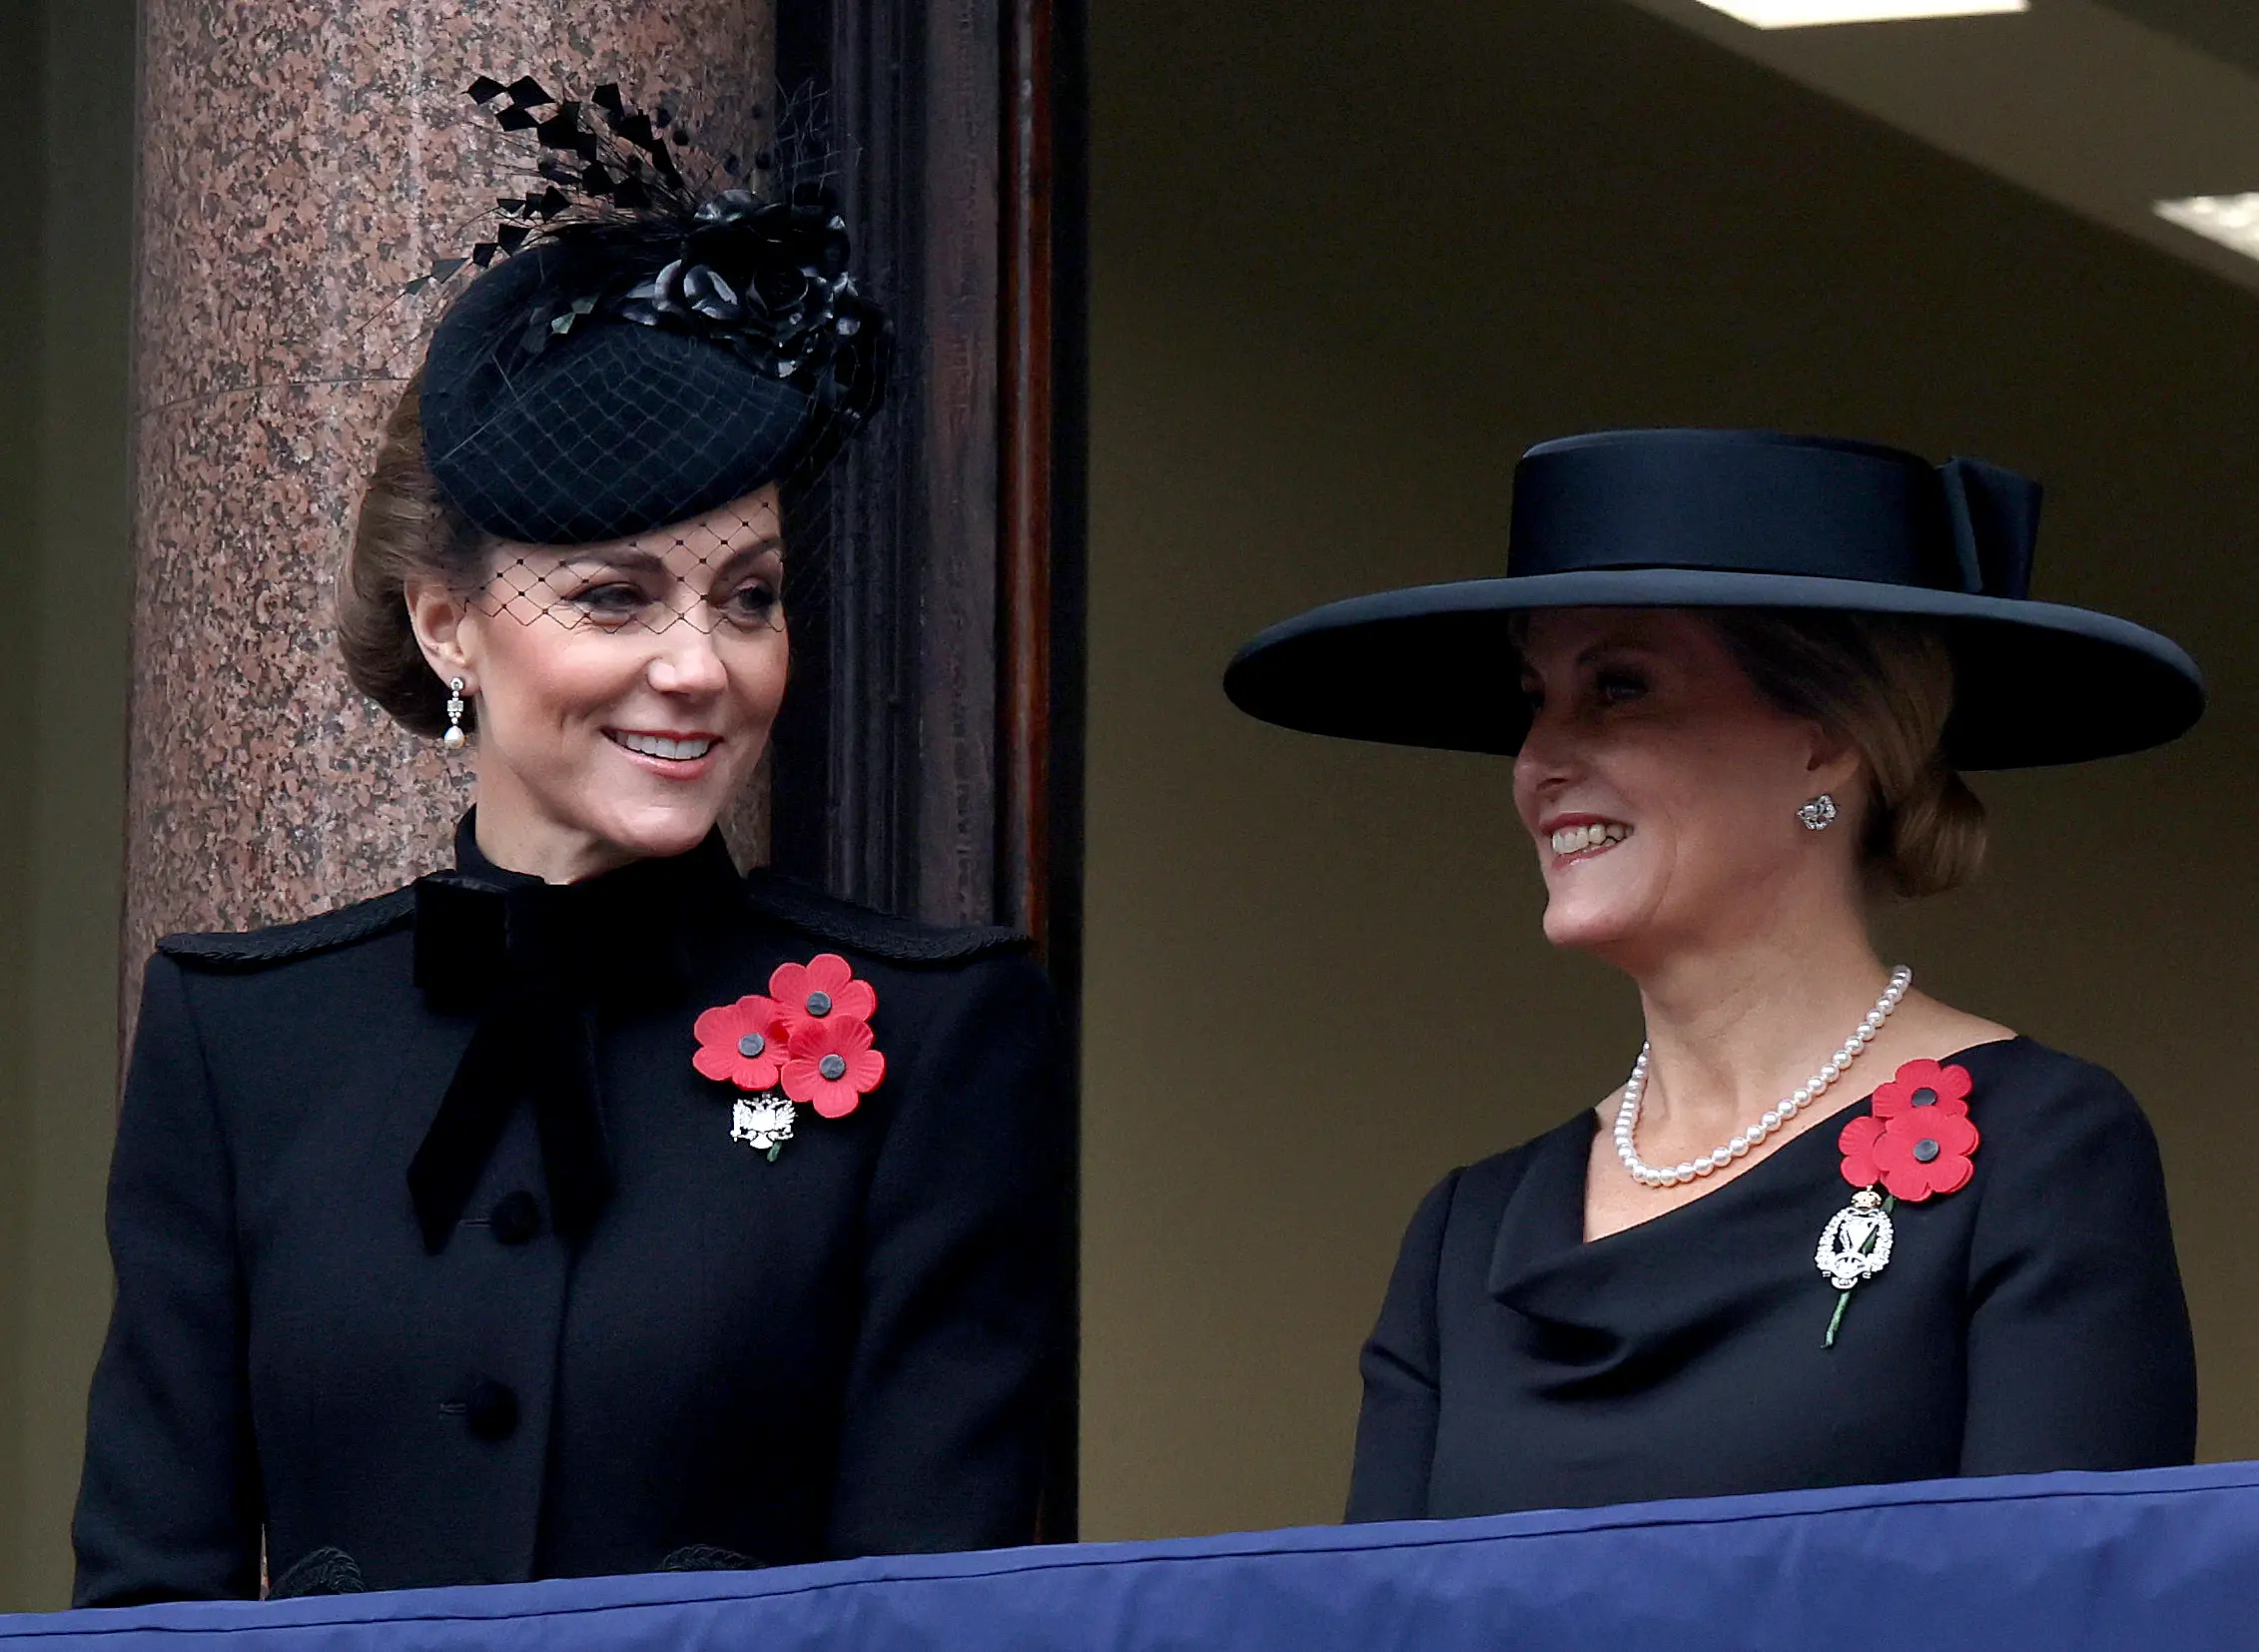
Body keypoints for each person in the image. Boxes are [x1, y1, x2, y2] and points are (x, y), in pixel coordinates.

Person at [73, 80, 1070, 1604]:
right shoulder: (242, 1041)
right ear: (447, 621)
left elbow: (944, 1613)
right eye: (614, 597)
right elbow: (148, 1603)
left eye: (746, 595)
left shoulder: (939, 1033)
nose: (700, 664)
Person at [1224, 428, 2204, 1520]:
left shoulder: (2042, 1152)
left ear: (1829, 739)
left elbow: (2067, 1614)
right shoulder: (1469, 1232)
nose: (1539, 760)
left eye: (1621, 688)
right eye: (1534, 697)